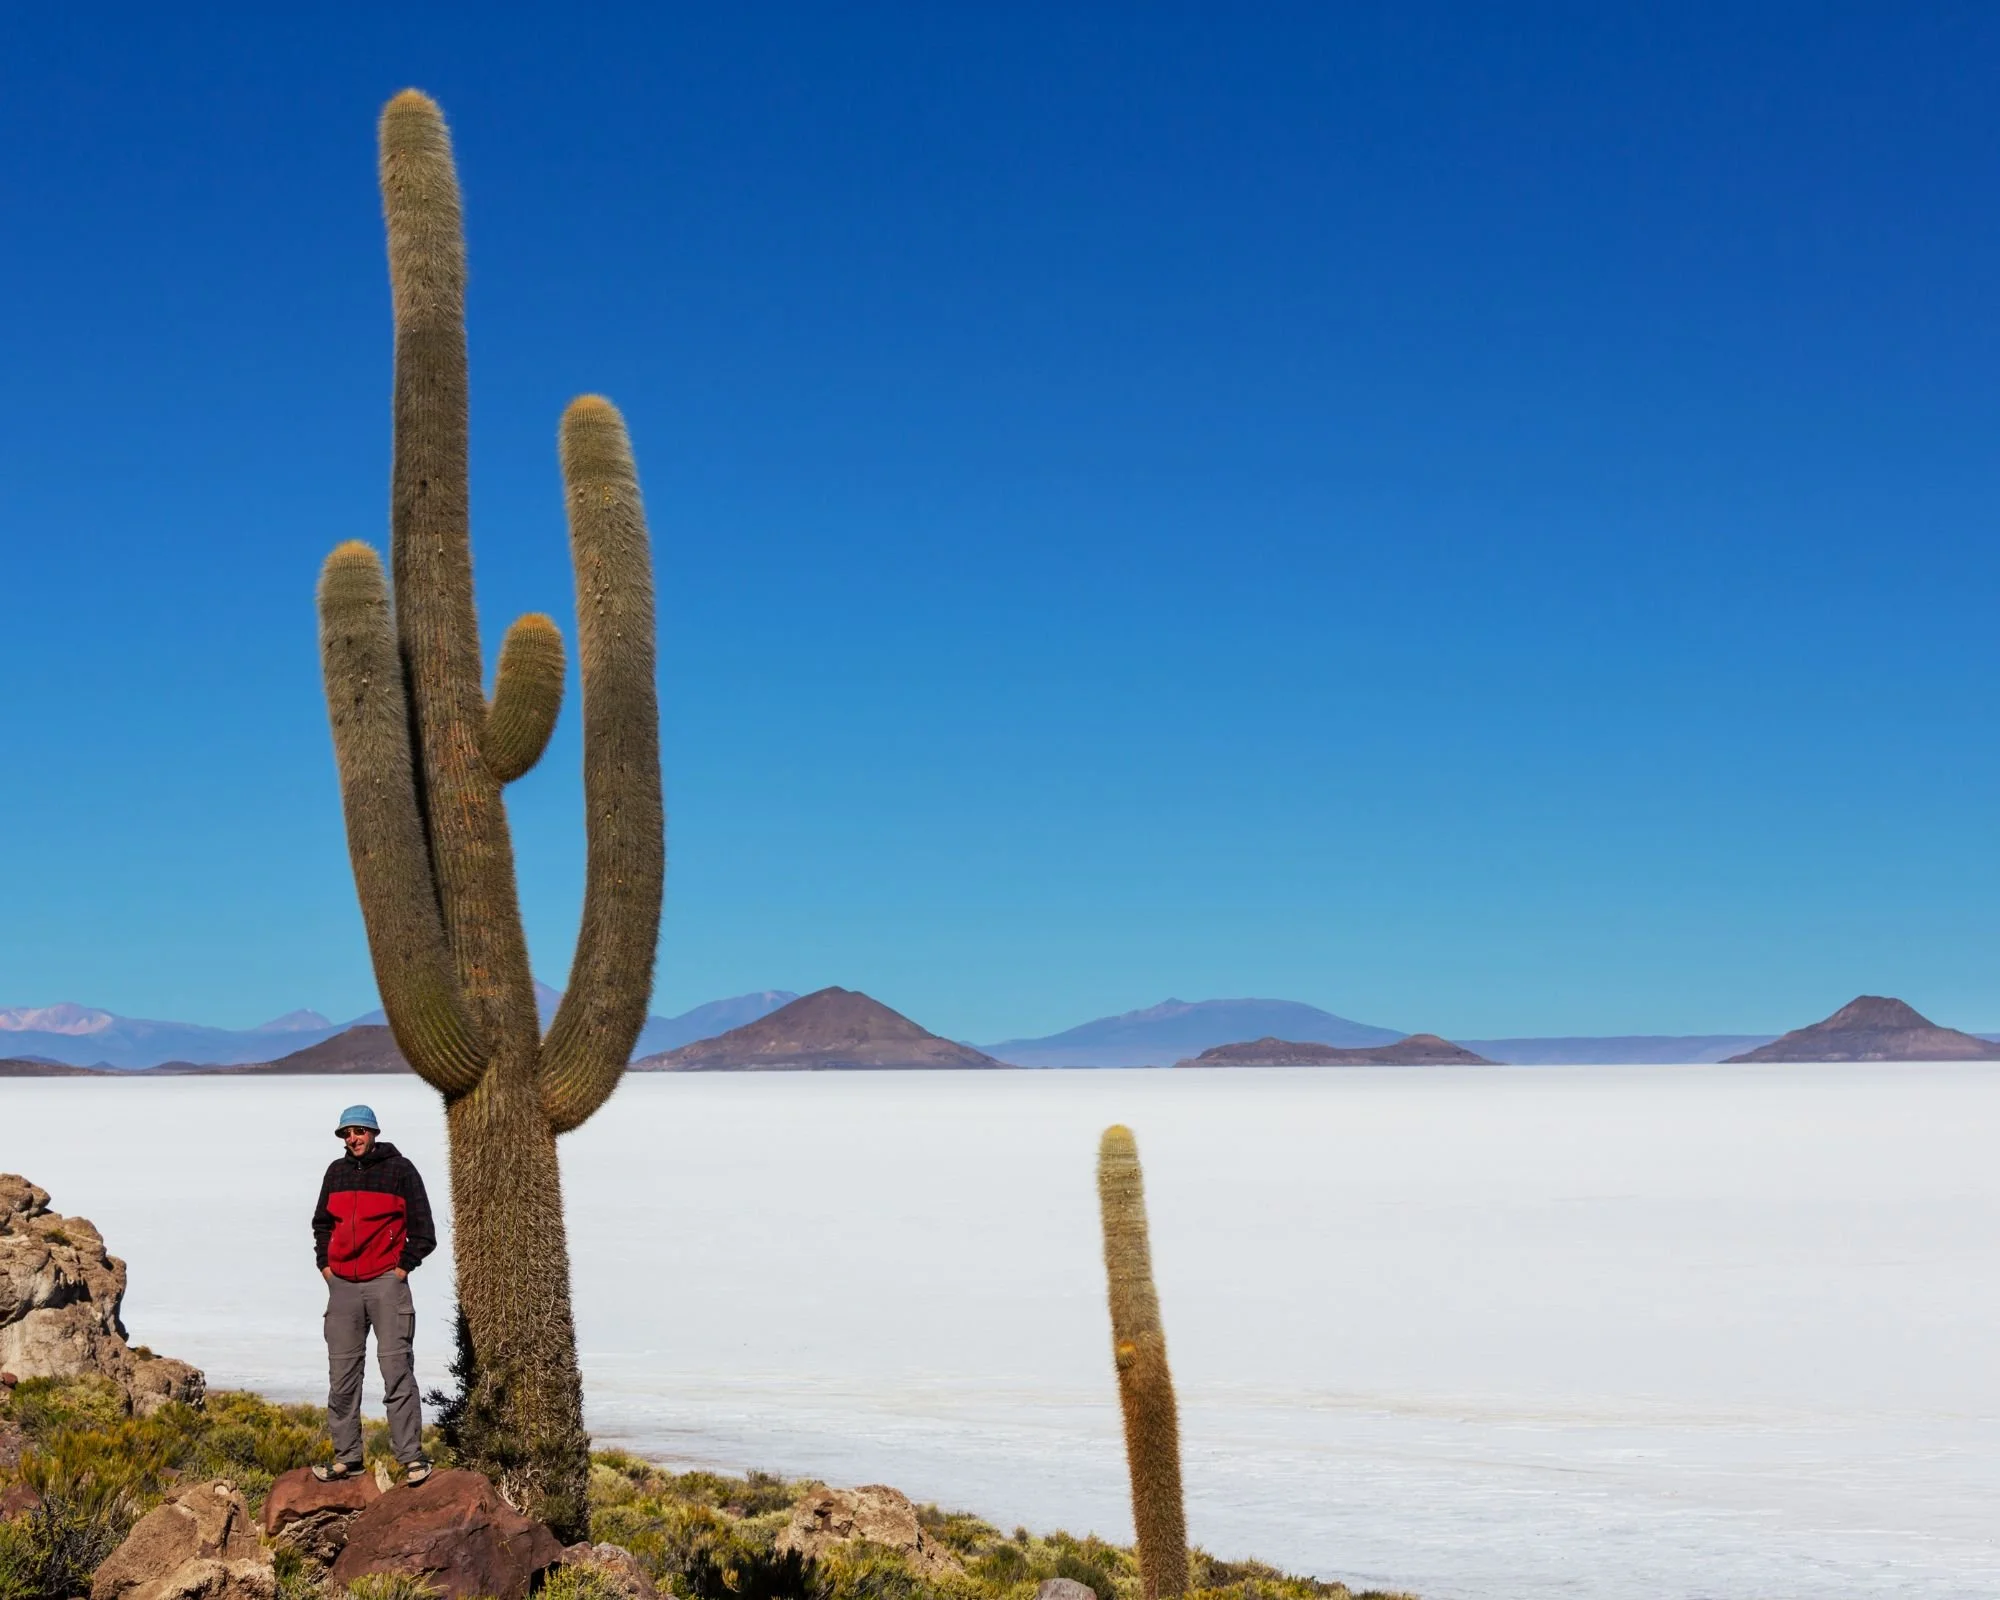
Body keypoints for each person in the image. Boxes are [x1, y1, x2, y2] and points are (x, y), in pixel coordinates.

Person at [310, 1104, 436, 1484]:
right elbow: (321, 1223)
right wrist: (326, 1265)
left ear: (374, 1133)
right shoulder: (336, 1172)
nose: (353, 1139)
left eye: (359, 1132)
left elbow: (424, 1230)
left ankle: (412, 1459)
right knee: (342, 1376)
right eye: (347, 1134)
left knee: (396, 1371)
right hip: (343, 1286)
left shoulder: (401, 1170)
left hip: (385, 1282)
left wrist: (401, 1269)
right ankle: (347, 1458)